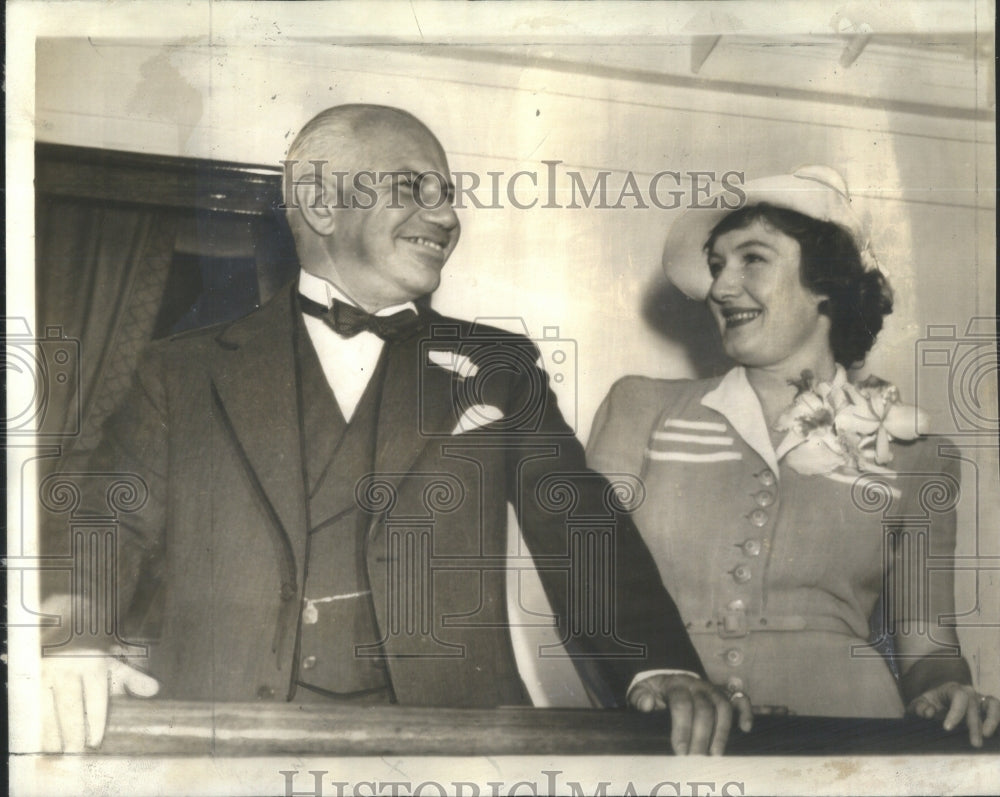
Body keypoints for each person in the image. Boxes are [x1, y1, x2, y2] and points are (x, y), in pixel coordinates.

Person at [39, 104, 746, 755]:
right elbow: (102, 528)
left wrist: (657, 660)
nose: (445, 218)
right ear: (319, 202)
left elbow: (578, 520)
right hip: (227, 742)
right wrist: (71, 641)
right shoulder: (178, 371)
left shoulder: (499, 366)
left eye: (449, 195)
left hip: (452, 744)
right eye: (412, 187)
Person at [586, 166, 1000, 746]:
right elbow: (586, 584)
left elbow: (927, 645)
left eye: (752, 258)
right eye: (716, 267)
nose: (722, 287)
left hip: (849, 741)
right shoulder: (641, 410)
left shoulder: (918, 456)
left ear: (827, 280)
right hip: (668, 738)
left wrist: (946, 690)